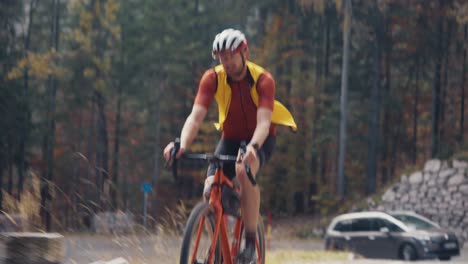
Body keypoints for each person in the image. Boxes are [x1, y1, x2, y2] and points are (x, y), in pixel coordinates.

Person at [163, 28, 297, 263]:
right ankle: (216, 248)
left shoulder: (263, 80)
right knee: (210, 189)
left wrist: (253, 148)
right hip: (230, 139)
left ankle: (249, 244)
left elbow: (264, 123)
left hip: (260, 139)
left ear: (245, 52)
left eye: (230, 56)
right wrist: (181, 144)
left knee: (244, 172)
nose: (226, 63)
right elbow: (195, 117)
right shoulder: (212, 78)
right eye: (222, 58)